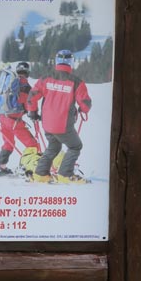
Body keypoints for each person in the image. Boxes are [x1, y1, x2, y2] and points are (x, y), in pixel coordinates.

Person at [27, 49, 92, 183]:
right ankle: (65, 174)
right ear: (71, 62)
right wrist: (83, 109)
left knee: (53, 147)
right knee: (75, 146)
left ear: (57, 61)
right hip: (63, 125)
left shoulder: (45, 78)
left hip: (47, 123)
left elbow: (32, 96)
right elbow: (85, 102)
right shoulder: (76, 82)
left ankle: (40, 174)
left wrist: (33, 112)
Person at [0, 61, 40, 176]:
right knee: (33, 145)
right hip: (15, 122)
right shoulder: (25, 87)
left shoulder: (6, 84)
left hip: (2, 118)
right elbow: (29, 105)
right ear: (27, 73)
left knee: (8, 143)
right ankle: (29, 167)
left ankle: (1, 167)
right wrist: (34, 114)